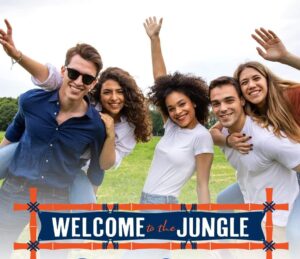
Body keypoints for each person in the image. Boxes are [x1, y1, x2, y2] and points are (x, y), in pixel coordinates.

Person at [0, 19, 152, 204]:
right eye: (107, 92)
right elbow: (51, 77)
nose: (114, 98)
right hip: (34, 153)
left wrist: (110, 134)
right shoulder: (85, 97)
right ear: (97, 91)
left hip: (73, 168)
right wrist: (17, 55)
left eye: (120, 92)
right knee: (17, 150)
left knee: (84, 207)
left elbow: (101, 166)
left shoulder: (122, 127)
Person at [0, 20, 106, 259]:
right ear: (63, 70)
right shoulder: (30, 101)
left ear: (94, 84)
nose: (79, 81)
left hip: (57, 199)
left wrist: (87, 208)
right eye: (74, 73)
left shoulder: (95, 125)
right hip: (15, 189)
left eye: (87, 78)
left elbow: (96, 171)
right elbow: (11, 137)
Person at [210, 27, 300, 258]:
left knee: (292, 231)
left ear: (267, 79)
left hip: (296, 167)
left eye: (256, 78)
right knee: (223, 202)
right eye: (245, 82)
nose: (251, 85)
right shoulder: (242, 113)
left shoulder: (290, 96)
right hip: (278, 169)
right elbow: (213, 132)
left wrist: (286, 57)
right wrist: (229, 140)